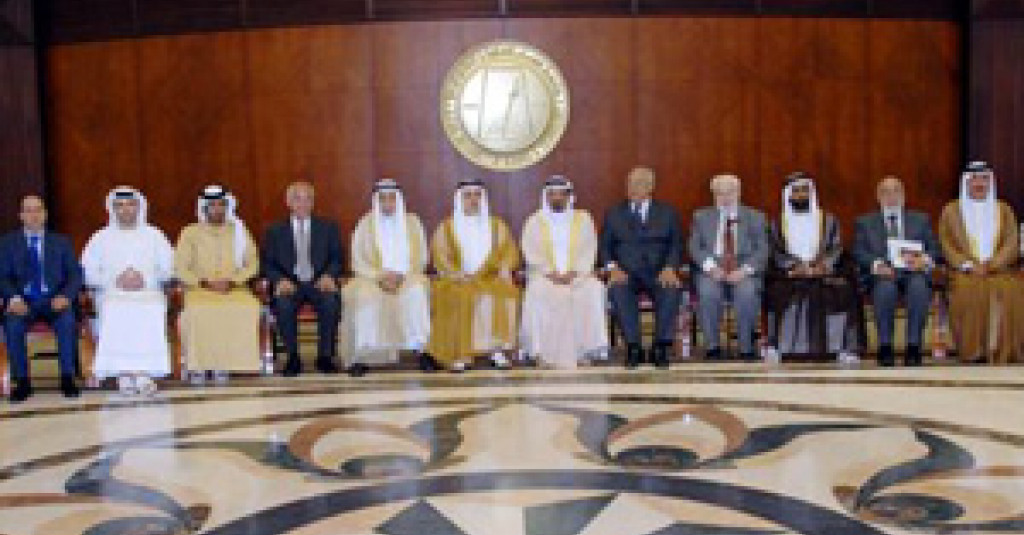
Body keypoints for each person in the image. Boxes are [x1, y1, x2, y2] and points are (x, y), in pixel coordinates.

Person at [81, 187, 174, 395]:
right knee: (114, 308)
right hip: (111, 293)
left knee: (151, 308)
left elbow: (169, 269)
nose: (125, 210)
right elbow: (87, 273)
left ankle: (144, 373)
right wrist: (115, 280)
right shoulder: (100, 237)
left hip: (149, 292)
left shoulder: (155, 235)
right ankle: (122, 372)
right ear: (112, 209)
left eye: (130, 205)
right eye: (120, 206)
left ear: (139, 207)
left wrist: (145, 279)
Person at [764, 172, 862, 363]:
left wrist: (823, 265)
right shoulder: (777, 223)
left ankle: (843, 348)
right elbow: (775, 250)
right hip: (790, 274)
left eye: (804, 191)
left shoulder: (828, 220)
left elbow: (836, 247)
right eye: (796, 191)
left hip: (823, 272)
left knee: (843, 290)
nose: (801, 195)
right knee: (778, 291)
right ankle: (779, 347)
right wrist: (794, 266)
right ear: (788, 195)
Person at [341, 179, 434, 376]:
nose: (388, 203)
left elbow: (422, 257)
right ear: (377, 201)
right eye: (383, 199)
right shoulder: (365, 224)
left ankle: (421, 351)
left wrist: (401, 276)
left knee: (417, 291)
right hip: (372, 278)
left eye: (392, 198)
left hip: (407, 276)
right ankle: (364, 355)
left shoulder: (413, 223)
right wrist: (380, 276)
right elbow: (358, 259)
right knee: (364, 296)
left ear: (399, 200)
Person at [428, 179, 521, 372]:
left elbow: (509, 252)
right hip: (458, 279)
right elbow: (440, 256)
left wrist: (504, 268)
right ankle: (461, 354)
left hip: (489, 277)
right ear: (460, 199)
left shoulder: (497, 226)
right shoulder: (447, 227)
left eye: (477, 195)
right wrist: (456, 274)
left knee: (504, 292)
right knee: (460, 295)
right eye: (468, 196)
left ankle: (496, 350)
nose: (473, 200)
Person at [938, 161, 1023, 364]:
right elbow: (946, 244)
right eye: (974, 179)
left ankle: (1004, 350)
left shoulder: (1004, 210)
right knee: (969, 290)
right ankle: (973, 351)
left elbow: (1011, 242)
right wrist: (968, 265)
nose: (979, 184)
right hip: (965, 272)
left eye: (984, 179)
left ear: (990, 182)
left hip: (999, 270)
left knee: (1011, 289)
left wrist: (993, 264)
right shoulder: (951, 211)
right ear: (966, 182)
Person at [599, 166, 684, 369]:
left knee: (671, 289)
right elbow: (604, 246)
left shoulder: (667, 212)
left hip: (659, 271)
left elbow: (676, 244)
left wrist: (670, 267)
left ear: (651, 187)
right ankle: (633, 347)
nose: (633, 188)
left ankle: (660, 347)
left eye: (640, 184)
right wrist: (612, 268)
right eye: (630, 183)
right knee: (617, 289)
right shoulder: (614, 213)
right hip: (626, 273)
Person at [174, 185, 261, 383]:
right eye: (212, 205)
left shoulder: (239, 231)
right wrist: (204, 282)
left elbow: (253, 263)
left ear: (228, 207)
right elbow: (180, 267)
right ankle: (199, 365)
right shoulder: (190, 232)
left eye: (221, 205)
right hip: (199, 288)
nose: (217, 210)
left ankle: (227, 364)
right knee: (197, 310)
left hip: (234, 288)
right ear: (204, 208)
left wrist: (233, 281)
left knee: (247, 307)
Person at [519, 176, 608, 369]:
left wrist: (573, 272)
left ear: (569, 196)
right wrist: (550, 272)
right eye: (552, 195)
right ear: (546, 197)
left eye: (561, 194)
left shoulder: (583, 219)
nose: (557, 198)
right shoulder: (534, 221)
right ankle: (542, 353)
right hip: (545, 276)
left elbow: (589, 249)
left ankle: (584, 351)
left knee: (593, 289)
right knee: (537, 292)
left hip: (577, 275)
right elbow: (530, 251)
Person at [0, 195, 83, 401]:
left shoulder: (61, 242)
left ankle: (67, 378)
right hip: (23, 301)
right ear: (21, 215)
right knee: (12, 324)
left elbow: (75, 274)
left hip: (54, 300)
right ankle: (22, 381)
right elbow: (3, 277)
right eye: (28, 210)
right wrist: (14, 298)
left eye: (38, 210)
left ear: (45, 214)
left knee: (67, 320)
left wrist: (65, 296)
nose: (34, 215)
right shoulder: (7, 243)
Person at [853, 176, 941, 367]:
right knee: (885, 288)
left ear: (904, 195)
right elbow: (859, 252)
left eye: (896, 191)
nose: (891, 196)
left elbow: (935, 250)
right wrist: (878, 265)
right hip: (883, 274)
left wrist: (923, 260)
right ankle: (885, 347)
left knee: (919, 287)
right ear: (878, 197)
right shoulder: (865, 222)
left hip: (913, 272)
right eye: (886, 192)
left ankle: (913, 347)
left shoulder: (920, 219)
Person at [262, 182, 342, 377]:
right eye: (297, 199)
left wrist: (329, 276)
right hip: (289, 284)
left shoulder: (328, 228)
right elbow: (267, 263)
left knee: (331, 302)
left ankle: (325, 357)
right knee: (283, 304)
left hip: (318, 282)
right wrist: (279, 280)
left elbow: (337, 258)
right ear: (288, 202)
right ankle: (293, 358)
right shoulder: (274, 231)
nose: (303, 204)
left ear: (313, 203)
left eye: (308, 199)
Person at [688, 174, 770, 361]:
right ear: (713, 195)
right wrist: (711, 268)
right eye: (720, 194)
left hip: (743, 271)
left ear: (738, 193)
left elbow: (763, 249)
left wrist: (744, 271)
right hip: (712, 270)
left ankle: (746, 347)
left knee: (746, 292)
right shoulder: (701, 217)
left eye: (729, 193)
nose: (725, 198)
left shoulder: (755, 217)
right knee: (707, 291)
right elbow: (694, 247)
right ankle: (712, 347)